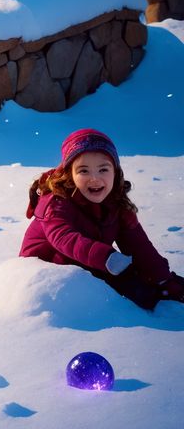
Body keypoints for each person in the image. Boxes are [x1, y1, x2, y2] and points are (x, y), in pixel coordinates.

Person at [21, 129, 183, 310]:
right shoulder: (56, 202)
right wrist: (107, 258)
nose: (95, 178)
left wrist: (163, 278)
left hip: (88, 263)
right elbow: (63, 238)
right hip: (48, 274)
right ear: (70, 174)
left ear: (115, 172)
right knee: (138, 294)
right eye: (84, 171)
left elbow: (139, 245)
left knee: (157, 282)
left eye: (103, 169)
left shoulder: (116, 203)